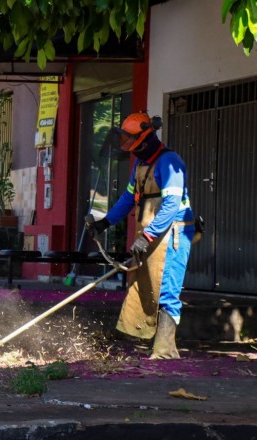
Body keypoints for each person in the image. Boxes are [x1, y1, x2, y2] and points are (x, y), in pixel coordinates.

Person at [87, 112, 195, 359]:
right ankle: (147, 341)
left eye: (134, 147)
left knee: (167, 290)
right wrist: (105, 222)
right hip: (152, 234)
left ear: (145, 142)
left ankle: (165, 351)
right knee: (145, 286)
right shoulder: (140, 164)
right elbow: (129, 198)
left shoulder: (170, 163)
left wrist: (147, 236)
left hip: (173, 234)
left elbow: (171, 205)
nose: (132, 152)